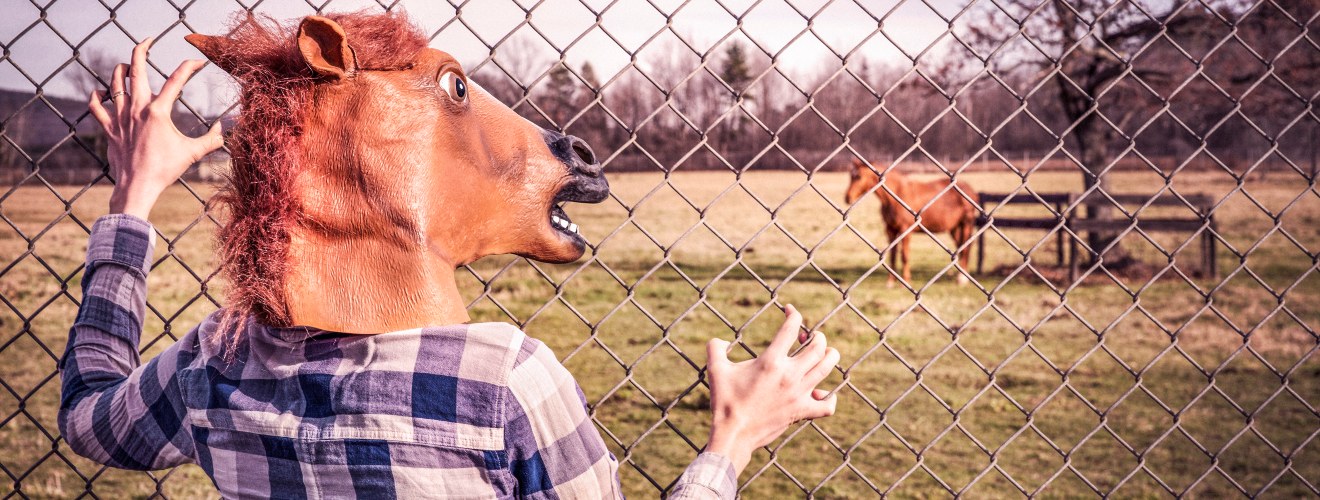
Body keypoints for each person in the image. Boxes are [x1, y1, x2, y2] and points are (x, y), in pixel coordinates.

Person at [59, 36, 840, 499]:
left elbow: (88, 419)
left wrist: (131, 203)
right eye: (455, 91)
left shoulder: (214, 363)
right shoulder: (504, 382)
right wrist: (733, 439)